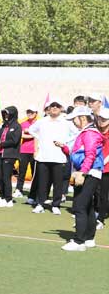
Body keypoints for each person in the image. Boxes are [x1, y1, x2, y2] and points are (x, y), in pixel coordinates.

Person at [60, 106, 103, 251]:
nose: (73, 122)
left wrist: (82, 173)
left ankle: (79, 241)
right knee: (87, 206)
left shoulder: (90, 133)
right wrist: (64, 148)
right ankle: (89, 238)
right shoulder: (87, 132)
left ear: (83, 118)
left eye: (75, 119)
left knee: (79, 206)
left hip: (88, 173)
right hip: (88, 172)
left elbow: (90, 155)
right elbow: (78, 153)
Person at [27, 99, 78, 214]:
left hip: (59, 157)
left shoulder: (65, 122)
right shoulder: (42, 121)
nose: (55, 108)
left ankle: (56, 205)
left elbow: (76, 133)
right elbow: (31, 130)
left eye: (57, 106)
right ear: (48, 108)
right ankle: (40, 203)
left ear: (61, 109)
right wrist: (40, 138)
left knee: (58, 183)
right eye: (52, 106)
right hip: (43, 156)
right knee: (42, 182)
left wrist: (65, 143)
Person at [0, 106, 22, 208]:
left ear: (12, 114)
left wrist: (1, 144)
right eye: (4, 113)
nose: (6, 115)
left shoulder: (17, 126)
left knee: (6, 177)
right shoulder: (4, 125)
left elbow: (15, 141)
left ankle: (8, 199)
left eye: (7, 114)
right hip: (0, 154)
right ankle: (2, 197)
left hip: (10, 155)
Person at [16, 107, 38, 200]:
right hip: (24, 150)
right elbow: (21, 135)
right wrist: (33, 134)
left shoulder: (39, 123)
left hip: (35, 151)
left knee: (34, 173)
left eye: (32, 112)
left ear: (36, 113)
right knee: (22, 172)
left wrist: (29, 132)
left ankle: (34, 192)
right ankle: (18, 189)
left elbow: (40, 135)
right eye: (28, 112)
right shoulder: (23, 123)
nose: (30, 113)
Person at [95, 107, 109, 230]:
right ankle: (94, 214)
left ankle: (101, 219)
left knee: (104, 194)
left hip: (106, 168)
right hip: (95, 166)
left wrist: (102, 163)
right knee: (95, 192)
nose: (102, 121)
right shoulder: (95, 131)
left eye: (105, 119)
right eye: (100, 118)